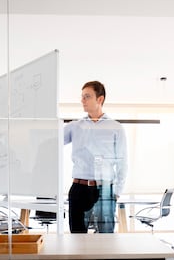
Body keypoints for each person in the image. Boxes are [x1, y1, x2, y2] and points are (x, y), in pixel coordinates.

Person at [64, 80, 128, 233]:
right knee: (77, 239)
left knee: (106, 239)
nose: (82, 100)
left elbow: (122, 162)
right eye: (82, 97)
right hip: (78, 188)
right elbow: (51, 142)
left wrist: (116, 192)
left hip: (105, 188)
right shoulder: (75, 126)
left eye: (87, 96)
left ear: (100, 99)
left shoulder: (115, 127)